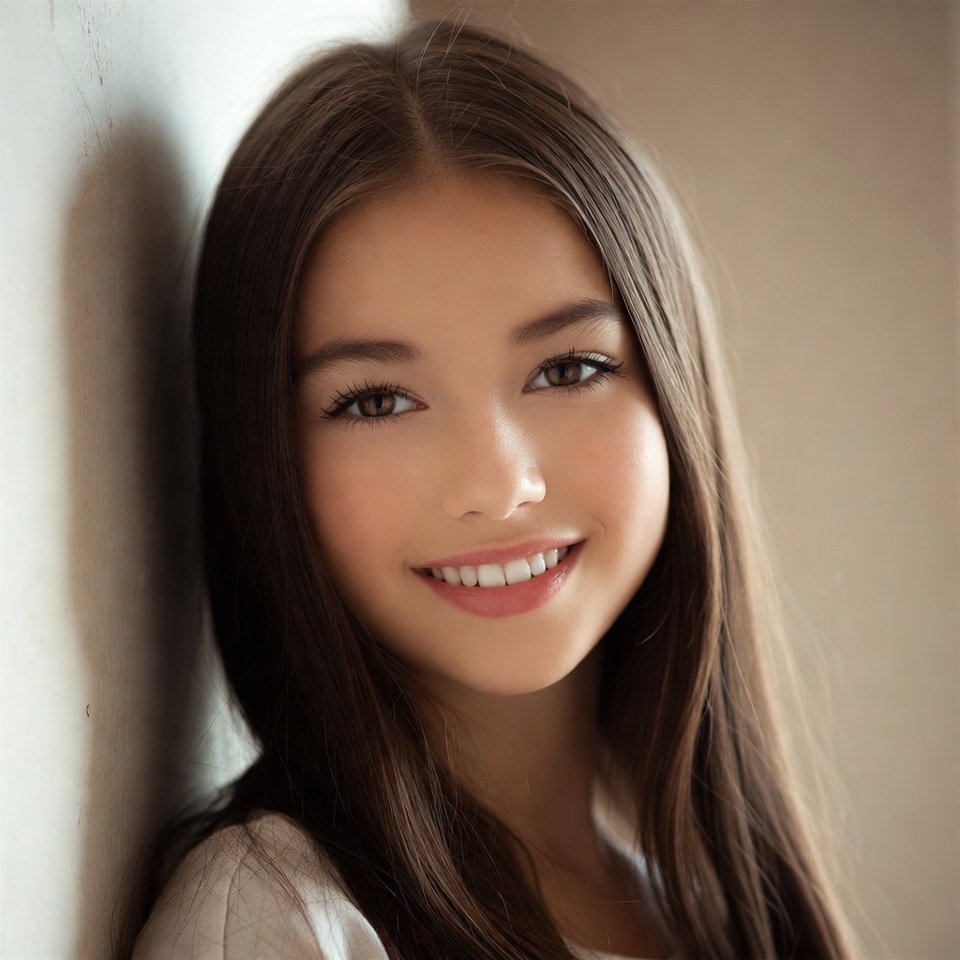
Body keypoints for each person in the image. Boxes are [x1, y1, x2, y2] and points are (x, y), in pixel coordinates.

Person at [127, 18, 856, 960]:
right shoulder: (281, 922)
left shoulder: (710, 918)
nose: (500, 485)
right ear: (265, 461)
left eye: (567, 369)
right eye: (377, 400)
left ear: (674, 396)